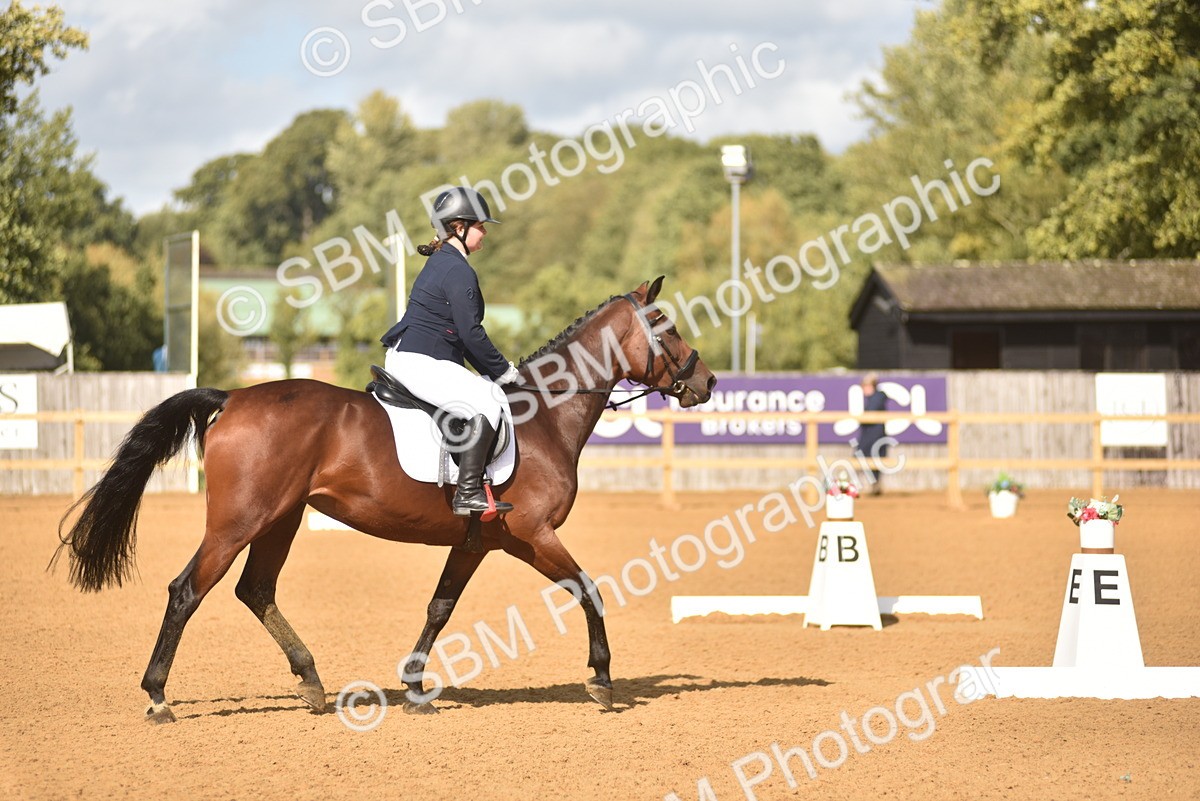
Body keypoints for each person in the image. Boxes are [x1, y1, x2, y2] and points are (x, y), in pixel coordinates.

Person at [380, 187, 520, 516]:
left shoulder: (445, 262)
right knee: (488, 400)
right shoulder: (457, 270)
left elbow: (460, 336)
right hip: (421, 361)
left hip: (420, 356)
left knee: (483, 390)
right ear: (459, 227)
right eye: (480, 225)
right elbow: (471, 334)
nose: (485, 232)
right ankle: (468, 492)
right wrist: (504, 372)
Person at [854, 372, 890, 495]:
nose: (864, 389)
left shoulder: (877, 397)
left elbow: (871, 412)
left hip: (875, 435)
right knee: (862, 459)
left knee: (873, 459)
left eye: (866, 386)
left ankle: (874, 485)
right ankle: (860, 485)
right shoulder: (873, 398)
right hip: (868, 435)